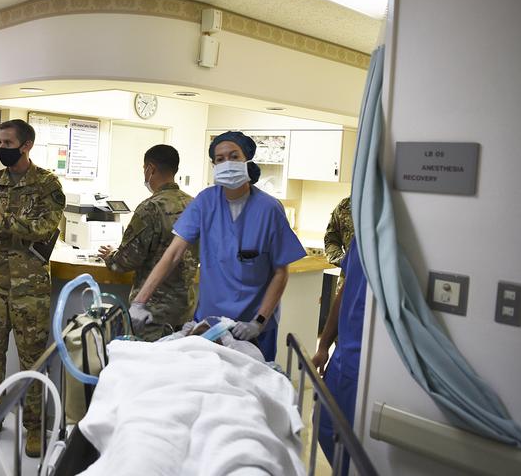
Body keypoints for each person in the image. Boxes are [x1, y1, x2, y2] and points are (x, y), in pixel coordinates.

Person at [130, 131, 306, 362]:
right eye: (220, 159)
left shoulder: (269, 209)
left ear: (247, 161)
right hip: (210, 325)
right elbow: (173, 254)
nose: (227, 163)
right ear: (214, 165)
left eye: (234, 156)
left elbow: (280, 273)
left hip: (253, 328)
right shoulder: (205, 202)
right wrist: (139, 302)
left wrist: (259, 322)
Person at [0, 119, 65, 458]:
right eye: (0, 142)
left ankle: (34, 428)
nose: (2, 148)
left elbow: (45, 227)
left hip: (30, 289)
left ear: (26, 146)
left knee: (32, 361)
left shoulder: (47, 185)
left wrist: (2, 221)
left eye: (8, 142)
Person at [98, 144, 199, 341]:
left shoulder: (150, 208)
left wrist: (110, 257)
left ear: (150, 169)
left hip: (152, 312)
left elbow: (125, 262)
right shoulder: (194, 204)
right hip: (185, 310)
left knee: (148, 368)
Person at [313, 236, 366, 476]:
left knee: (357, 443)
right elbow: (345, 291)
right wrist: (324, 344)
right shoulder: (359, 240)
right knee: (324, 423)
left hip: (365, 362)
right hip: (343, 352)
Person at [324, 196, 354, 291]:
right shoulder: (345, 206)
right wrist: (343, 260)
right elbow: (331, 240)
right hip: (348, 277)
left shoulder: (391, 204)